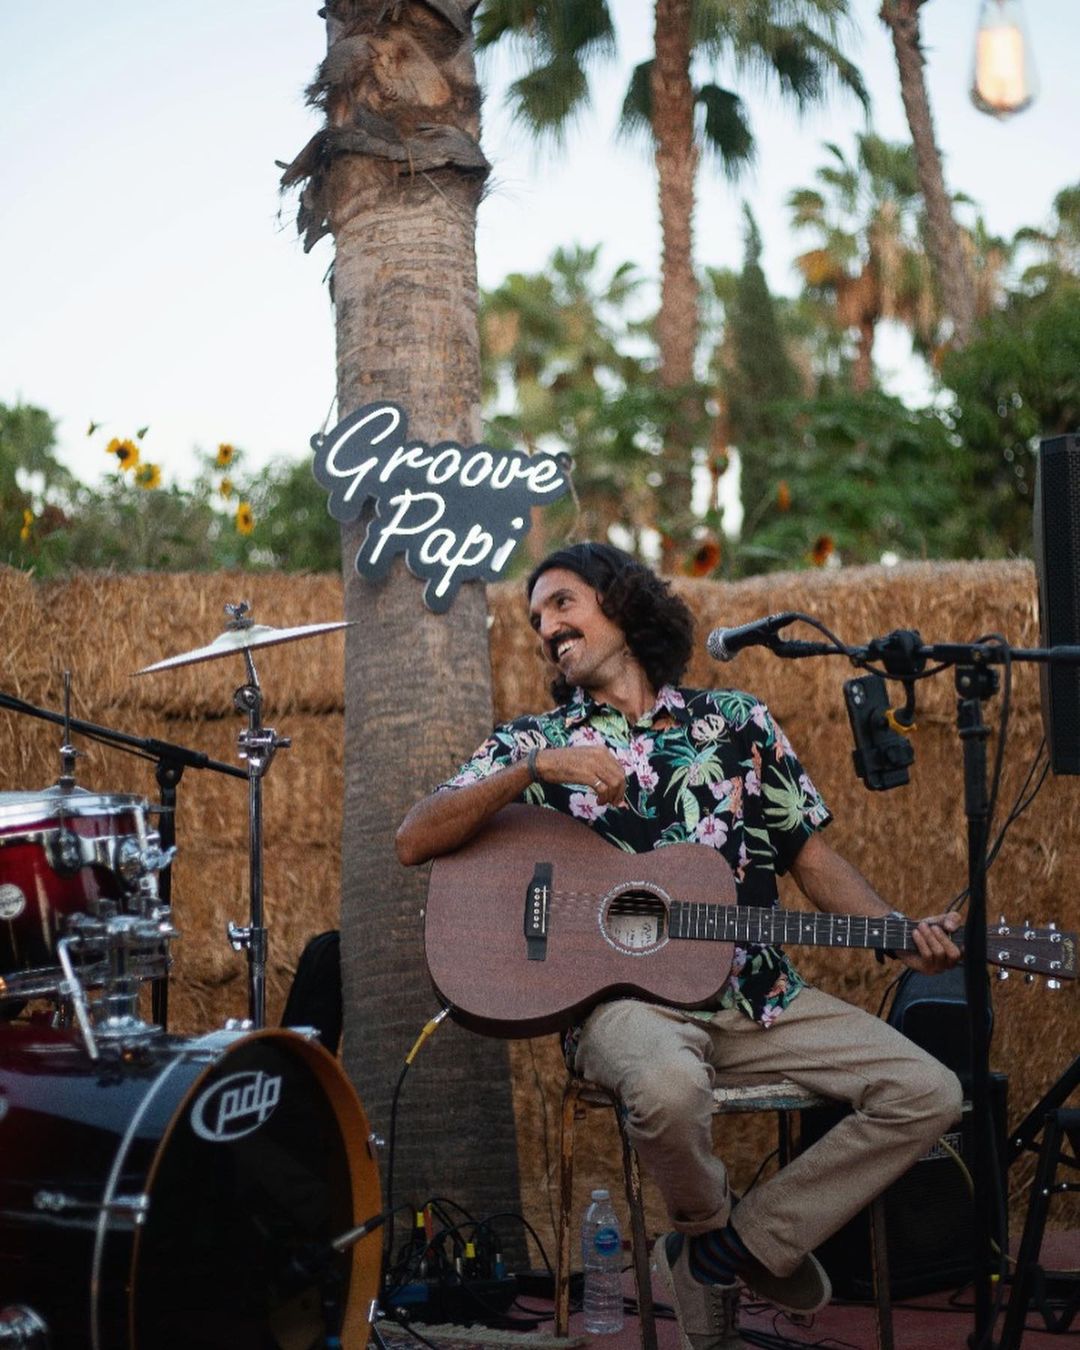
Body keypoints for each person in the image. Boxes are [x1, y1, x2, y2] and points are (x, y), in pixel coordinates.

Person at [396, 541, 963, 1349]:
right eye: (535, 618)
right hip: (624, 1011)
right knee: (667, 1088)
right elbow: (414, 839)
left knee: (929, 1091)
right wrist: (533, 769)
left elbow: (811, 858)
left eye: (562, 603)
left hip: (759, 996)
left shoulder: (737, 724)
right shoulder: (536, 742)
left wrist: (898, 933)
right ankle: (709, 1231)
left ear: (622, 604)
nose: (546, 628)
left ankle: (728, 1249)